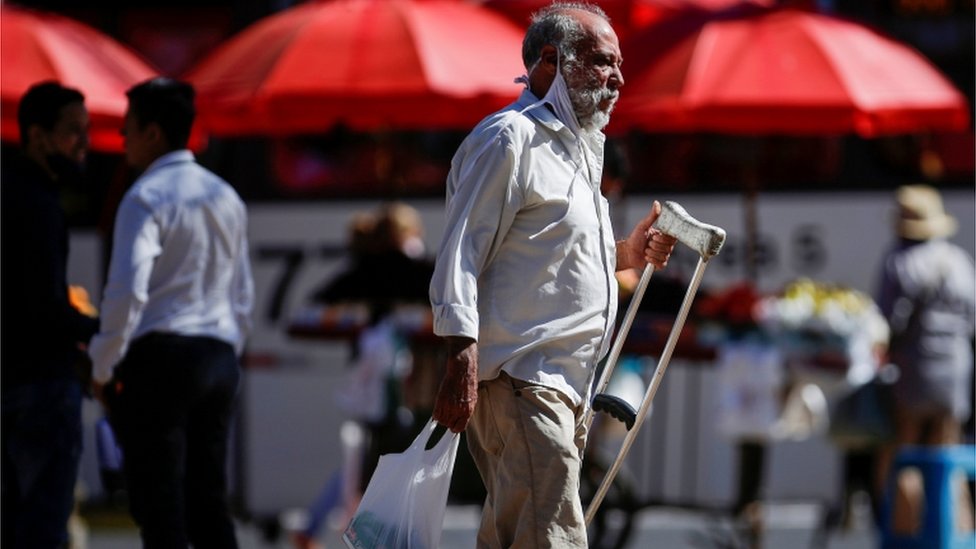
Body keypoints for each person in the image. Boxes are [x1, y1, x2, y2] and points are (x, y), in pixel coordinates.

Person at [428, 3, 676, 547]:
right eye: (602, 62)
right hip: (526, 380)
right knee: (551, 539)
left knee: (516, 535)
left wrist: (628, 252)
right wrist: (460, 353)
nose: (618, 78)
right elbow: (461, 251)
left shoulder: (575, 148)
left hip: (558, 387)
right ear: (550, 59)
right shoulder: (510, 139)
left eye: (618, 65)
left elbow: (553, 258)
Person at [88, 77, 254, 548]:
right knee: (209, 500)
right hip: (218, 357)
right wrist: (226, 350)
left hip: (160, 359)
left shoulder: (144, 196)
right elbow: (243, 293)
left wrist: (103, 364)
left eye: (127, 129)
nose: (121, 140)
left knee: (160, 504)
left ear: (153, 133)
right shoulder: (225, 194)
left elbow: (127, 291)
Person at [1, 81, 100, 549]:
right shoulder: (38, 203)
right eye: (72, 131)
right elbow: (42, 309)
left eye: (87, 129)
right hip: (39, 388)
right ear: (37, 136)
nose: (84, 143)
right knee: (43, 528)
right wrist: (100, 330)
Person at [873, 184, 975, 534]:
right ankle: (956, 534)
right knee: (948, 458)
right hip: (956, 373)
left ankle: (907, 534)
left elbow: (887, 322)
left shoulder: (899, 261)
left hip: (913, 372)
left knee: (907, 457)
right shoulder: (959, 261)